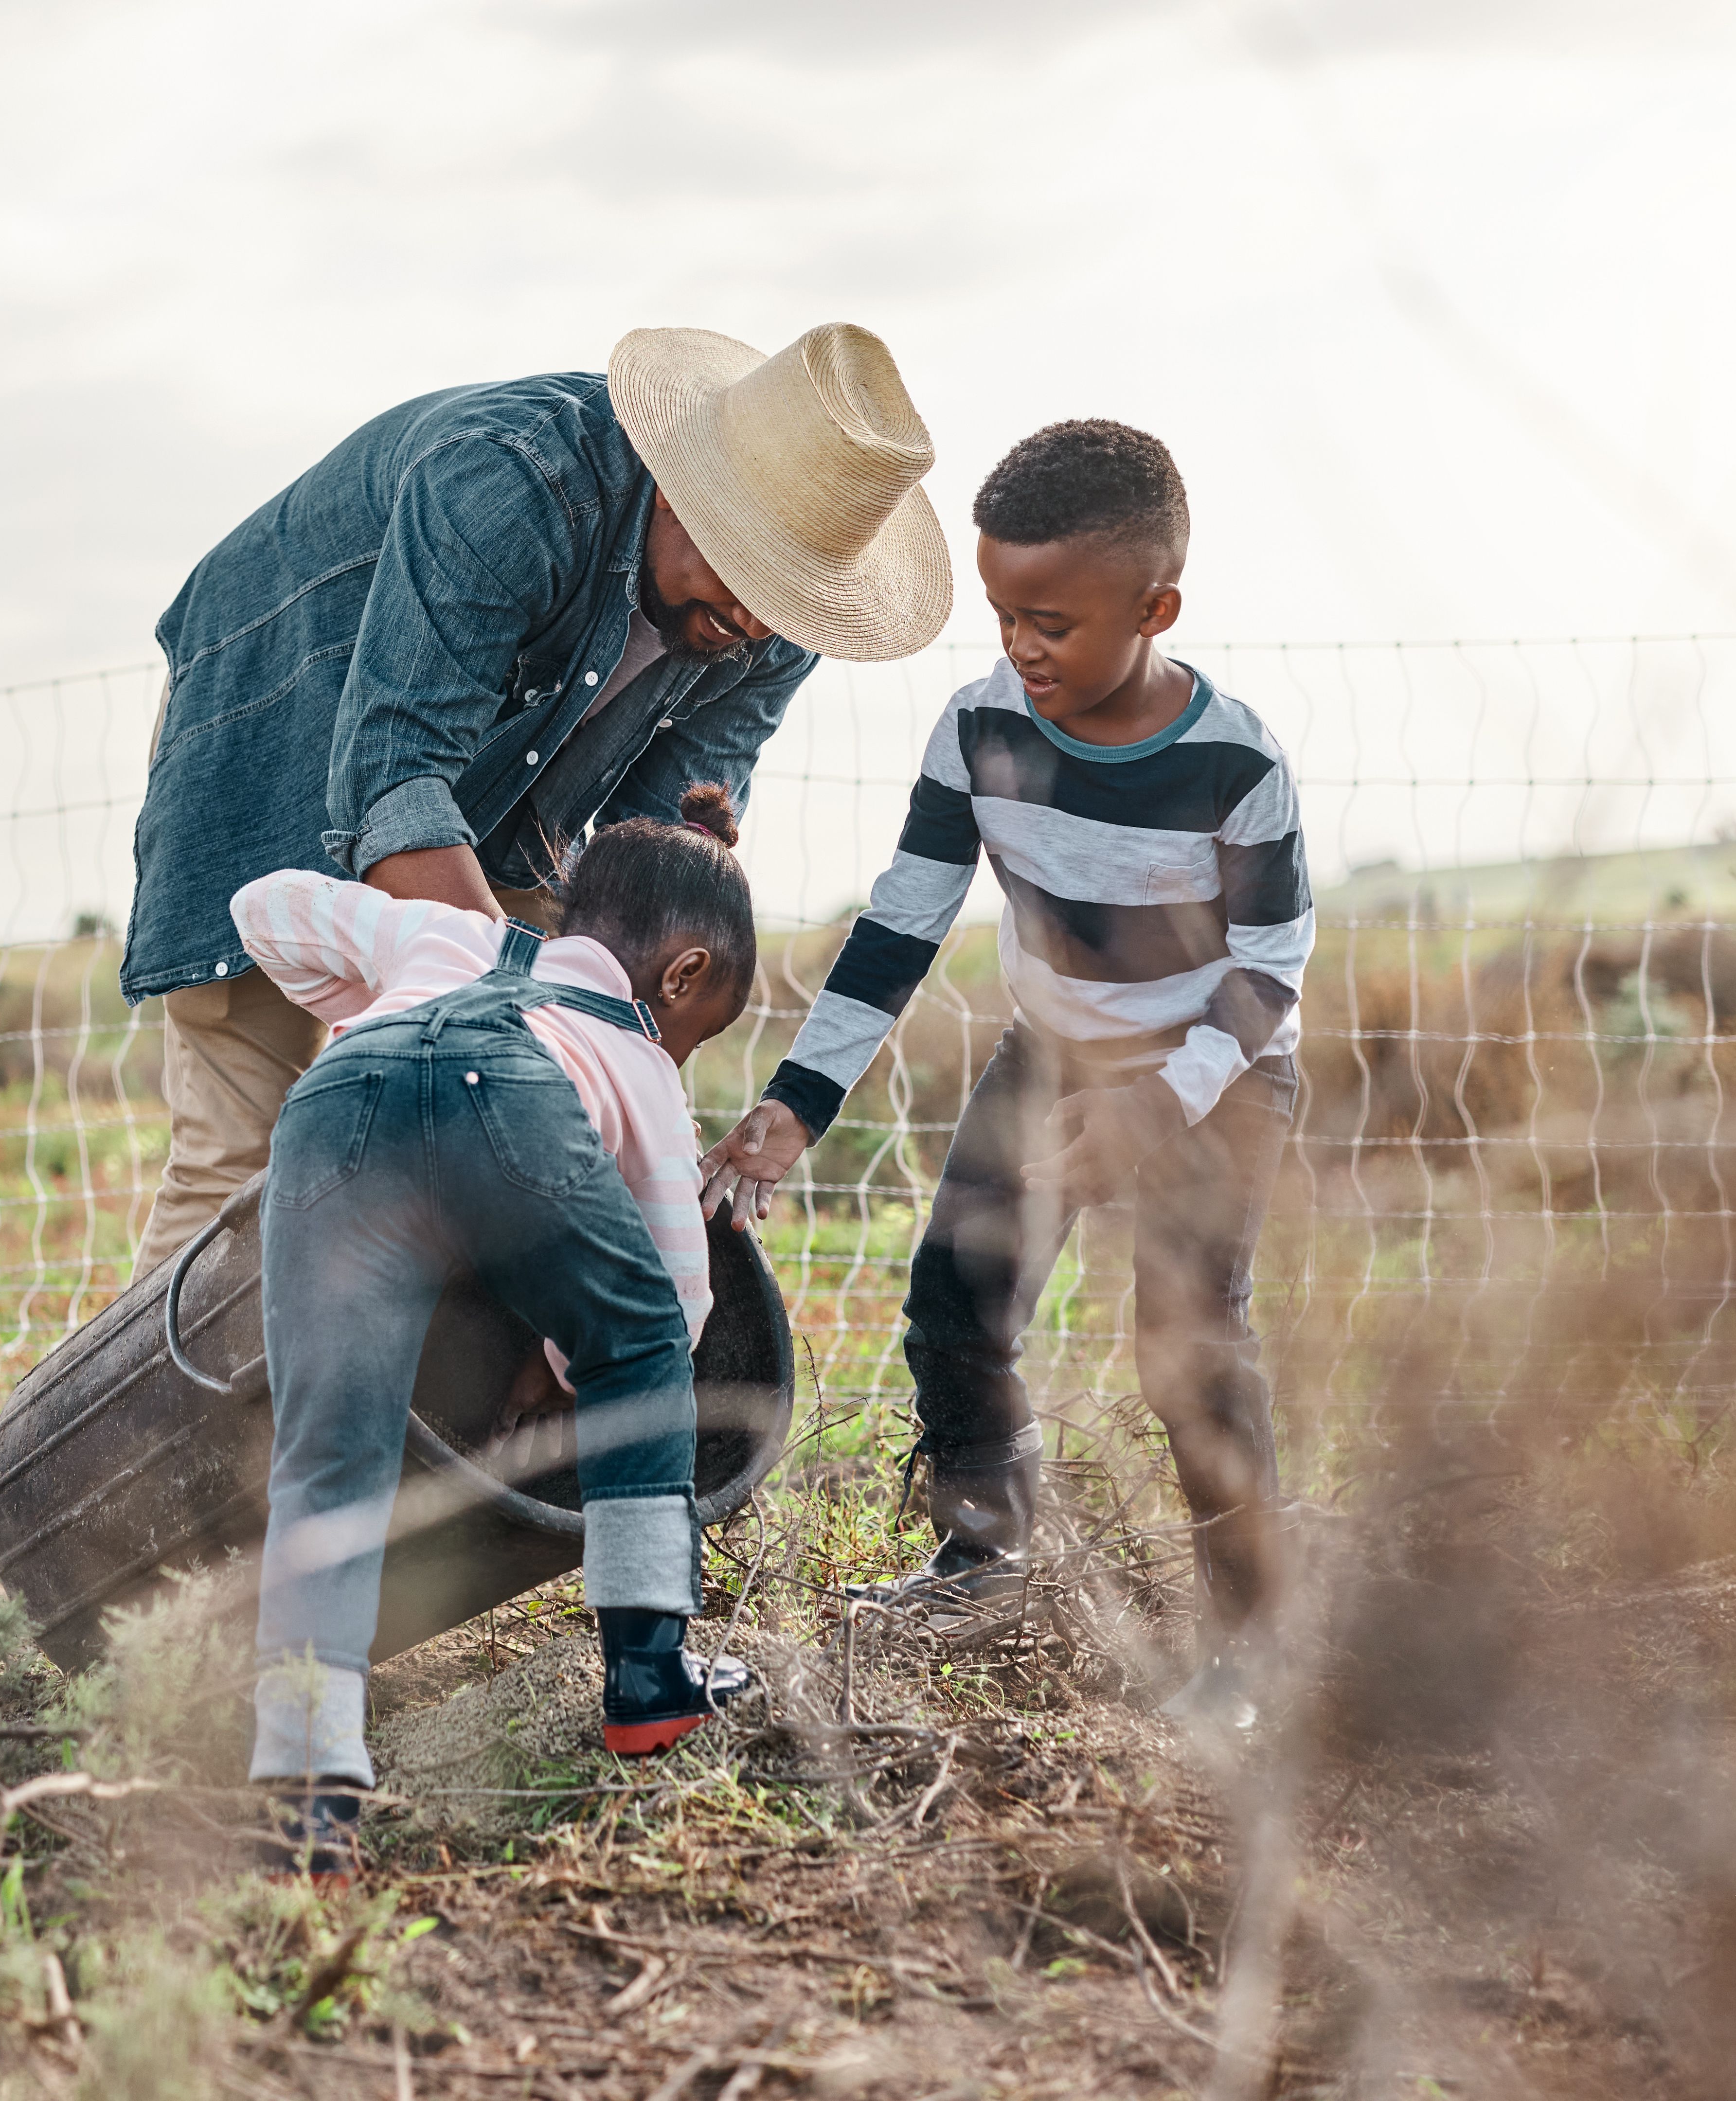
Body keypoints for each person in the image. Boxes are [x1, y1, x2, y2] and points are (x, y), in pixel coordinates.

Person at [698, 421, 1311, 1714]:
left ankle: (1252, 1642)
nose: (1020, 646)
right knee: (954, 1299)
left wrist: (1154, 1109)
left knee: (1187, 1348)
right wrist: (800, 1104)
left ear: (1154, 611)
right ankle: (986, 1556)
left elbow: (1270, 970)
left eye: (1052, 623)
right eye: (1002, 615)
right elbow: (901, 926)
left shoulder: (1239, 762)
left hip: (1218, 1068)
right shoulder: (979, 728)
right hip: (1056, 1050)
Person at [121, 324, 953, 1276]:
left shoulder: (773, 628)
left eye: (793, 590)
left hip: (501, 811)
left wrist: (623, 1083)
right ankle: (144, 1383)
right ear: (682, 490)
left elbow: (654, 864)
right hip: (274, 731)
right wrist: (533, 1028)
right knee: (243, 1156)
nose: (759, 618)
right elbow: (393, 773)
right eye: (750, 569)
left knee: (494, 1160)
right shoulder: (512, 481)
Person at [232, 788, 762, 1874]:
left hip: (336, 1105)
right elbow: (676, 1299)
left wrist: (373, 999)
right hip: (514, 1101)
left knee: (330, 1454)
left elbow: (263, 908)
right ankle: (649, 1677)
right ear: (683, 977)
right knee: (642, 1342)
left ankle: (306, 1801)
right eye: (698, 1034)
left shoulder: (443, 936)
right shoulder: (639, 1061)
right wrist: (561, 1362)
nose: (683, 1052)